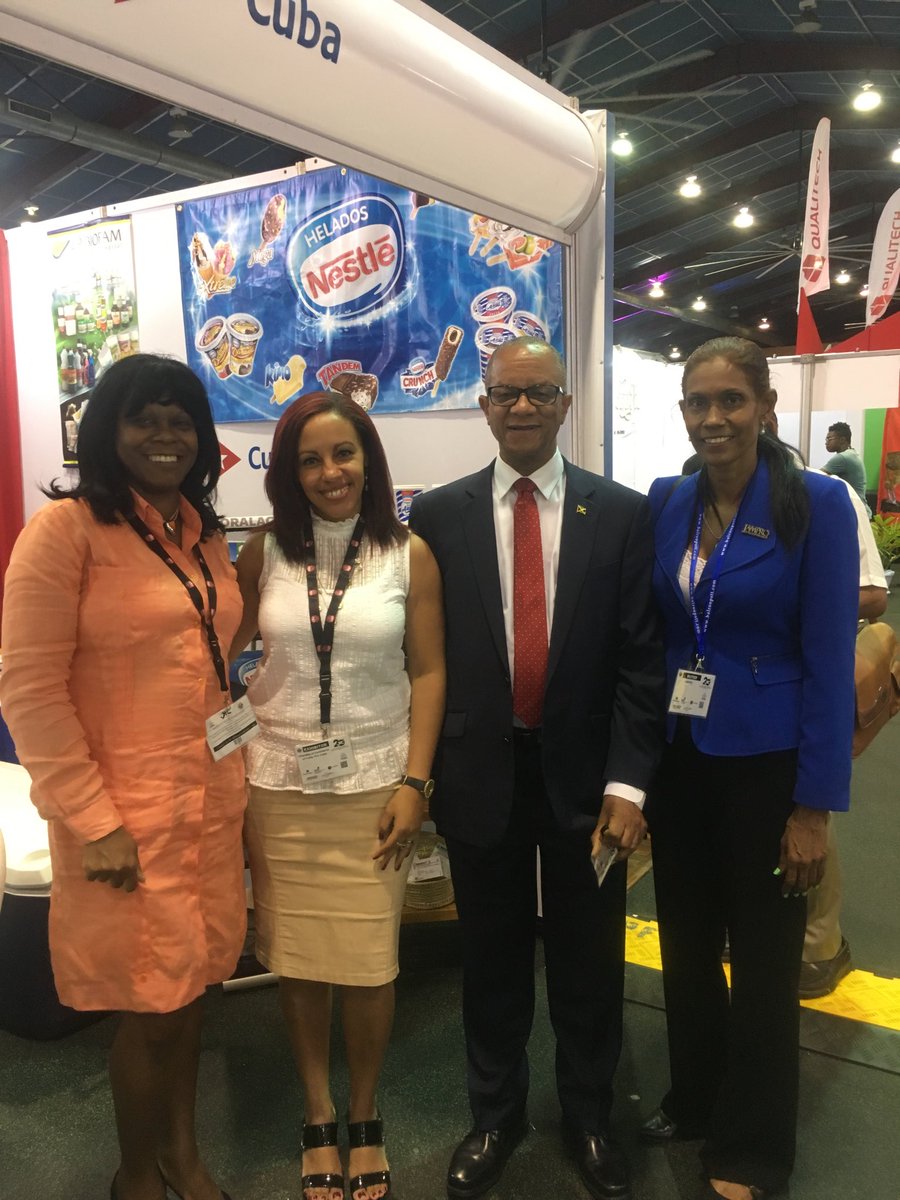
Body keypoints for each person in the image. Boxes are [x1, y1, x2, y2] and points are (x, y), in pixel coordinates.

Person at [409, 337, 665, 1200]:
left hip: (588, 784)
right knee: (491, 958)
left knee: (590, 958)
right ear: (484, 406)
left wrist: (628, 784)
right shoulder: (436, 516)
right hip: (478, 773)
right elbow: (423, 656)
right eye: (507, 394)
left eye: (540, 393)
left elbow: (642, 662)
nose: (522, 407)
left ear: (565, 405)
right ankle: (495, 1115)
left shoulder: (620, 513)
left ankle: (590, 1116)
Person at [0, 354, 247, 1200]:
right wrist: (92, 820)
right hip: (124, 823)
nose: (164, 435)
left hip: (208, 809)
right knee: (150, 1010)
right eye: (145, 417)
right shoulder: (64, 533)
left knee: (193, 994)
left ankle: (182, 1154)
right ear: (106, 430)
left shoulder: (202, 534)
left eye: (182, 420)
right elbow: (29, 691)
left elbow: (212, 656)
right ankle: (135, 1175)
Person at [642, 338, 859, 1200]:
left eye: (731, 400)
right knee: (686, 944)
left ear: (765, 406)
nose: (714, 418)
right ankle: (696, 1097)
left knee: (764, 961)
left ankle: (755, 1146)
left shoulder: (817, 505)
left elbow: (830, 663)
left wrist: (814, 807)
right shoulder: (669, 500)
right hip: (681, 758)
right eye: (698, 402)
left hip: (769, 769)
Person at [229, 391, 444, 1200]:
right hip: (278, 784)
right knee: (297, 958)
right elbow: (224, 654)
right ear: (289, 473)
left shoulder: (408, 554)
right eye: (310, 460)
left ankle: (364, 1109)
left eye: (343, 454)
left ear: (368, 460)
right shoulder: (264, 552)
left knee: (369, 963)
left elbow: (430, 672)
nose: (329, 473)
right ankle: (318, 1110)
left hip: (375, 785)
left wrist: (416, 783)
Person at [765, 414, 887, 997]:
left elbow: (875, 595)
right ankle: (775, 930)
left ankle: (820, 944)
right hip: (750, 686)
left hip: (813, 673)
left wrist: (793, 599)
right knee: (766, 812)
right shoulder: (707, 493)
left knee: (810, 811)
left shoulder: (828, 494)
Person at [822, 421, 869, 511]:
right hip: (859, 509)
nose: (826, 442)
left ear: (842, 440)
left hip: (855, 510)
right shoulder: (852, 453)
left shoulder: (843, 457)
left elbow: (817, 476)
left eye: (829, 439)